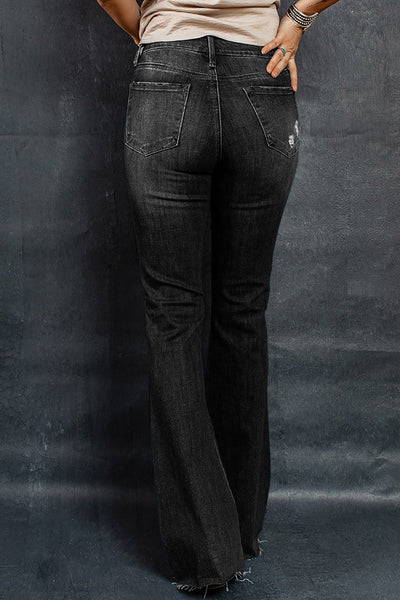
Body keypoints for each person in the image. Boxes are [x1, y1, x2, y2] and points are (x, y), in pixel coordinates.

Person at [96, 0, 342, 595]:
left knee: (173, 318)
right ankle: (240, 528)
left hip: (165, 73)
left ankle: (208, 552)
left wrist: (156, 38)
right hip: (261, 70)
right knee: (243, 311)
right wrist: (297, 20)